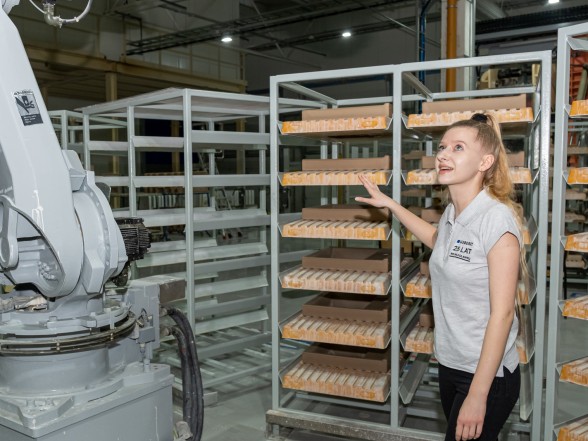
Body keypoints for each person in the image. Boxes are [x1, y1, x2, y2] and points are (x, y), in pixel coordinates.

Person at [356, 113, 522, 441]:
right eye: (442, 147)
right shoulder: (453, 213)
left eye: (457, 148)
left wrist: (478, 394)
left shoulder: (496, 221)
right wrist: (391, 205)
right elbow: (437, 241)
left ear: (485, 162)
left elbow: (502, 315)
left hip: (486, 374)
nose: (442, 155)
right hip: (450, 361)